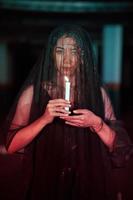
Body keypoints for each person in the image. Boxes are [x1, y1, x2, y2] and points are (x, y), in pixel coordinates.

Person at [5, 24, 132, 200]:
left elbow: (118, 148)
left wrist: (97, 124)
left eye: (73, 51)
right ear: (52, 55)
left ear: (82, 56)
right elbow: (12, 146)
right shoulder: (33, 94)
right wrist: (43, 119)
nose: (66, 59)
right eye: (59, 51)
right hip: (47, 183)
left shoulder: (97, 94)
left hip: (88, 183)